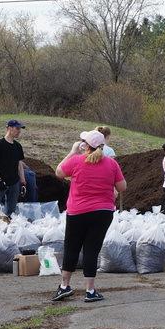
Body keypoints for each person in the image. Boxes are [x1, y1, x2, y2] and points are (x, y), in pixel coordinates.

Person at [51, 129, 127, 303]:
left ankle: (64, 286)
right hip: (103, 212)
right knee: (92, 249)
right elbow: (122, 187)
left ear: (85, 145)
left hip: (77, 211)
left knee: (71, 247)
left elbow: (58, 172)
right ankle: (90, 291)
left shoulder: (77, 161)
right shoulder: (111, 164)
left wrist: (72, 152)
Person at [0, 119, 28, 216]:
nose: (19, 131)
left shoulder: (18, 146)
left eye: (20, 129)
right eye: (17, 128)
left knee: (11, 211)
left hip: (14, 183)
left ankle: (8, 229)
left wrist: (23, 182)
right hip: (0, 182)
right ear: (9, 128)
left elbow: (19, 165)